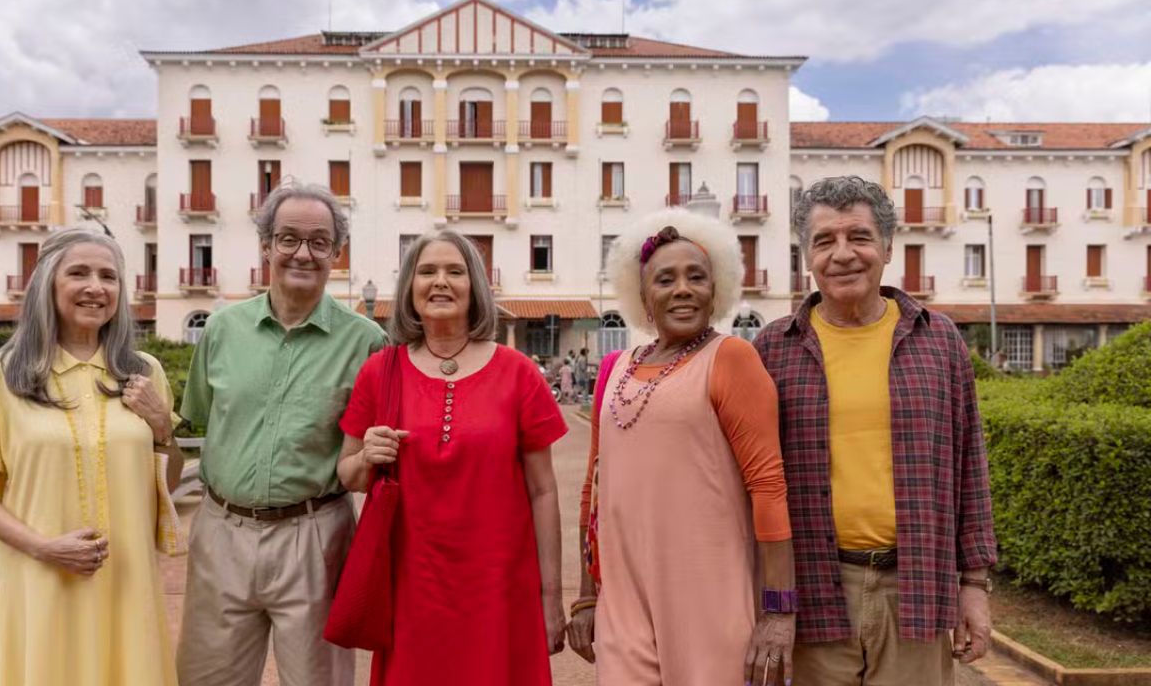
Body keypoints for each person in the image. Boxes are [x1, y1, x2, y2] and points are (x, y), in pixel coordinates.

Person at [754, 176, 997, 685]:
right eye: (825, 241)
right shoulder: (773, 349)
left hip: (917, 584)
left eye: (859, 237)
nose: (843, 254)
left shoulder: (939, 340)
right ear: (807, 257)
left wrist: (974, 583)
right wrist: (769, 601)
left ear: (888, 248)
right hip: (814, 587)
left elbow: (970, 464)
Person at [567, 209, 797, 685]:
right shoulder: (614, 368)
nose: (683, 289)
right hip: (624, 603)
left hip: (711, 600)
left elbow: (769, 489)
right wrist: (588, 596)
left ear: (717, 290)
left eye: (697, 277)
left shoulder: (733, 358)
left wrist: (778, 612)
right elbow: (594, 492)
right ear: (643, 295)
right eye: (665, 279)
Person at [337, 230, 568, 686]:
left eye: (455, 271)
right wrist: (368, 455)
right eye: (427, 271)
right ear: (409, 288)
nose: (440, 282)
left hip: (502, 589)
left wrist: (551, 596)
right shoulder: (379, 371)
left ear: (474, 286)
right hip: (412, 588)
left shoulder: (518, 373)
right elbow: (347, 474)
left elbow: (543, 491)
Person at [177, 182, 386, 686]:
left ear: (336, 255)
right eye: (288, 238)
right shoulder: (223, 330)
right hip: (221, 531)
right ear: (266, 245)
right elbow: (200, 420)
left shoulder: (368, 344)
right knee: (207, 678)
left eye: (319, 242)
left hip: (316, 536)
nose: (302, 253)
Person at [0, 228, 183, 686]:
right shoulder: (2, 377)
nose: (95, 287)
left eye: (109, 276)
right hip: (39, 578)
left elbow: (169, 482)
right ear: (48, 284)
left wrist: (162, 428)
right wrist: (44, 546)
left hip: (126, 581)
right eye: (78, 272)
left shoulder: (143, 373)